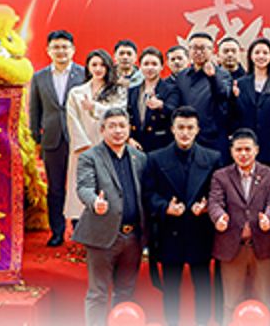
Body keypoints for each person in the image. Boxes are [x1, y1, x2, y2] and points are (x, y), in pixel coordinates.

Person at [143, 106, 223, 326]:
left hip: (200, 231)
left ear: (197, 130)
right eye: (180, 127)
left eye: (190, 128)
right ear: (172, 129)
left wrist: (208, 206)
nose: (185, 133)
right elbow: (148, 194)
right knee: (170, 290)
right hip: (170, 232)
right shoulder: (155, 158)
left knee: (203, 287)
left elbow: (219, 192)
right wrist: (164, 207)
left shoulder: (213, 158)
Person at [72, 107, 147, 326]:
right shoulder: (89, 157)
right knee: (98, 293)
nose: (118, 131)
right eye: (112, 126)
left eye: (122, 126)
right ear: (102, 130)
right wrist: (95, 201)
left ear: (129, 129)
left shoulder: (139, 158)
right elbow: (84, 187)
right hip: (102, 236)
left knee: (125, 292)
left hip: (133, 237)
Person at [208, 129, 270, 324]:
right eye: (238, 149)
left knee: (265, 301)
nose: (243, 154)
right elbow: (214, 202)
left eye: (247, 149)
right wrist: (219, 217)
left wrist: (269, 218)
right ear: (231, 152)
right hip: (232, 248)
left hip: (262, 246)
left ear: (256, 150)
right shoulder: (221, 176)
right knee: (231, 303)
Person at [29, 30, 85, 246]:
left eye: (64, 47)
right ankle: (57, 231)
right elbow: (35, 110)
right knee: (55, 188)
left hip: (79, 139)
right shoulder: (39, 77)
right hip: (52, 140)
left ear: (73, 50)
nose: (61, 51)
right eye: (56, 47)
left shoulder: (84, 74)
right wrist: (35, 138)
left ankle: (80, 229)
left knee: (79, 186)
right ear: (48, 50)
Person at [66, 49, 127, 224]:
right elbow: (72, 119)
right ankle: (79, 225)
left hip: (108, 144)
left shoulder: (118, 91)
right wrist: (83, 144)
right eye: (94, 64)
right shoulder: (76, 92)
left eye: (102, 65)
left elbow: (119, 113)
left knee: (107, 185)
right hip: (83, 145)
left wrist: (94, 107)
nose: (98, 69)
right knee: (81, 184)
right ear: (88, 67)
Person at [230, 38, 270, 173]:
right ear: (250, 56)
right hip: (247, 148)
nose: (261, 56)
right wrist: (233, 98)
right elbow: (234, 114)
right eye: (257, 52)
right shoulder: (240, 83)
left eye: (265, 53)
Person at [166, 32, 232, 156]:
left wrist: (212, 77)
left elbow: (223, 94)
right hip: (188, 137)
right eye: (194, 48)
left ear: (212, 50)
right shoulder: (182, 75)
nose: (198, 52)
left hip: (213, 138)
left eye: (202, 48)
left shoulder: (222, 74)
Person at [127, 46, 173, 153]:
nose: (150, 68)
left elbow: (174, 111)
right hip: (136, 146)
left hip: (161, 146)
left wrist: (161, 106)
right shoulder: (132, 91)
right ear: (140, 66)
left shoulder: (170, 89)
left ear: (162, 67)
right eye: (146, 64)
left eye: (154, 64)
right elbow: (127, 116)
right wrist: (129, 138)